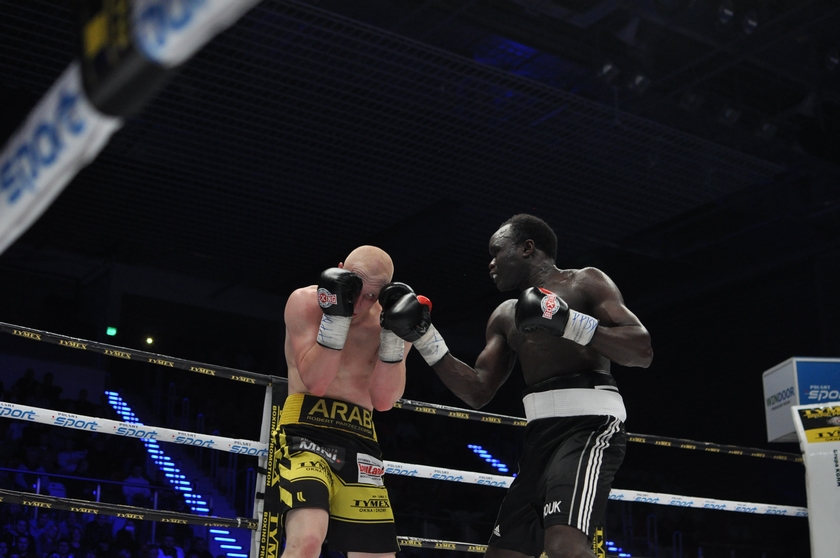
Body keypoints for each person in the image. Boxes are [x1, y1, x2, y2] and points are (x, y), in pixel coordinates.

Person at [381, 214, 653, 558]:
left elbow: (641, 351)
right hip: (539, 438)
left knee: (565, 546)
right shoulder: (505, 315)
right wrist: (424, 338)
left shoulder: (585, 282)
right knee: (503, 554)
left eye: (497, 251)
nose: (491, 263)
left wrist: (568, 322)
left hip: (590, 427)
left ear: (527, 248)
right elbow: (478, 391)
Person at [277, 245, 409, 558]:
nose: (360, 302)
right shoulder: (305, 302)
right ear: (340, 271)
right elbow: (317, 383)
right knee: (307, 540)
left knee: (377, 556)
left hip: (361, 438)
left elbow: (385, 401)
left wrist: (394, 337)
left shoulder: (392, 320)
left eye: (372, 295)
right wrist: (337, 317)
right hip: (305, 430)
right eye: (356, 288)